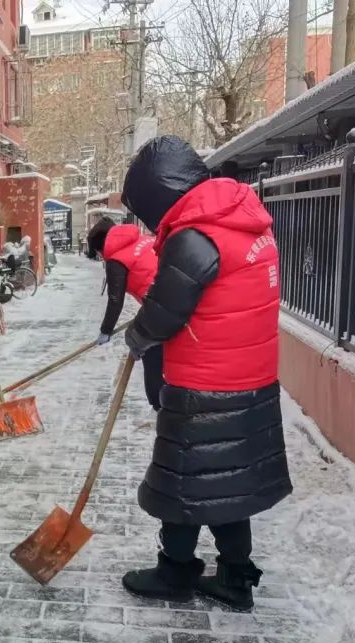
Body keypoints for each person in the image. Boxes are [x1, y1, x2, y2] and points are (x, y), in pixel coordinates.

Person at [118, 136, 293, 612]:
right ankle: (235, 577)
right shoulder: (243, 220)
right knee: (227, 486)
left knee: (181, 482)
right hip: (250, 381)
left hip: (204, 386)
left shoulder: (196, 236)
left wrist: (138, 336)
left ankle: (175, 570)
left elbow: (167, 309)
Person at [96, 223, 164, 412]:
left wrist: (106, 331)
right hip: (177, 297)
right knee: (160, 349)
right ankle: (165, 403)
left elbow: (115, 299)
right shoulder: (142, 240)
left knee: (150, 350)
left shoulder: (116, 259)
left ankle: (161, 405)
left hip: (163, 303)